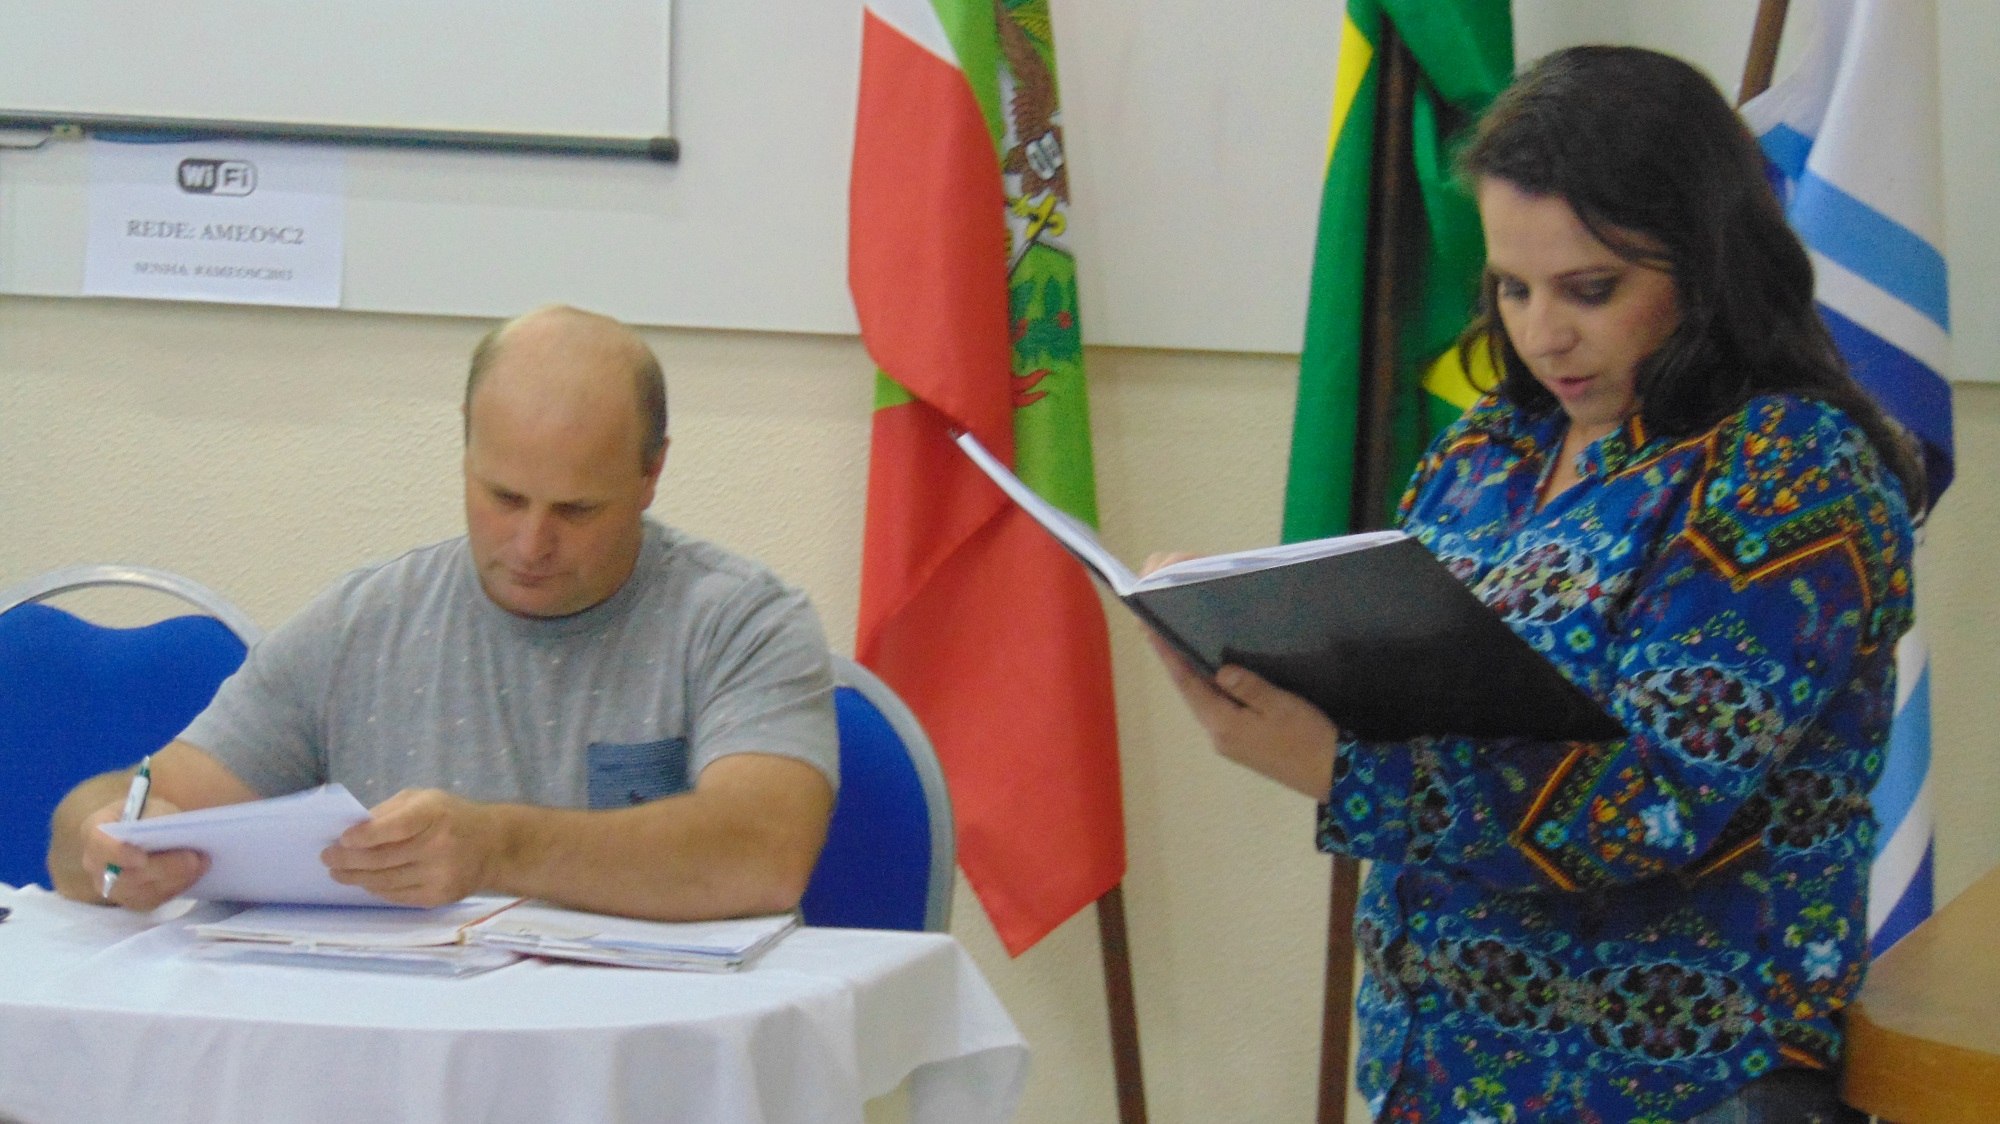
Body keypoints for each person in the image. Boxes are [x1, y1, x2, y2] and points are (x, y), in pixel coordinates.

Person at [1151, 47, 1923, 1124]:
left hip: (1670, 1085)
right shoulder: (1487, 449)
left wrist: (1337, 769)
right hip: (1439, 1064)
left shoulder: (1786, 470)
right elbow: (1422, 692)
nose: (1541, 332)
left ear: (1707, 266)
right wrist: (1255, 635)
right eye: (1511, 286)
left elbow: (1648, 802)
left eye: (1589, 289)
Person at [50, 304, 839, 922]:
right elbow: (136, 807)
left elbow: (762, 852)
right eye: (503, 497)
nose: (532, 542)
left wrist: (499, 848)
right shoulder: (364, 622)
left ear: (652, 474)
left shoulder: (742, 622)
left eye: (577, 509)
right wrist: (108, 842)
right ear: (464, 454)